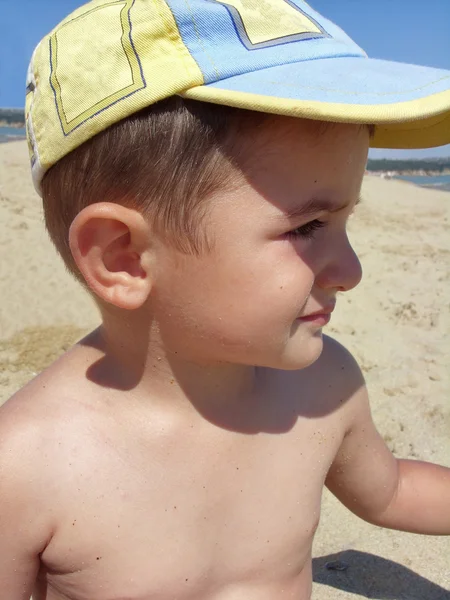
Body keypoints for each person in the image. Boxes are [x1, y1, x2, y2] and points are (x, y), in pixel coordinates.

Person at [2, 1, 450, 599]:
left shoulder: (326, 388)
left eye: (346, 222)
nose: (352, 271)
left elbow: (391, 490)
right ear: (124, 257)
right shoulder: (27, 468)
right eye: (309, 227)